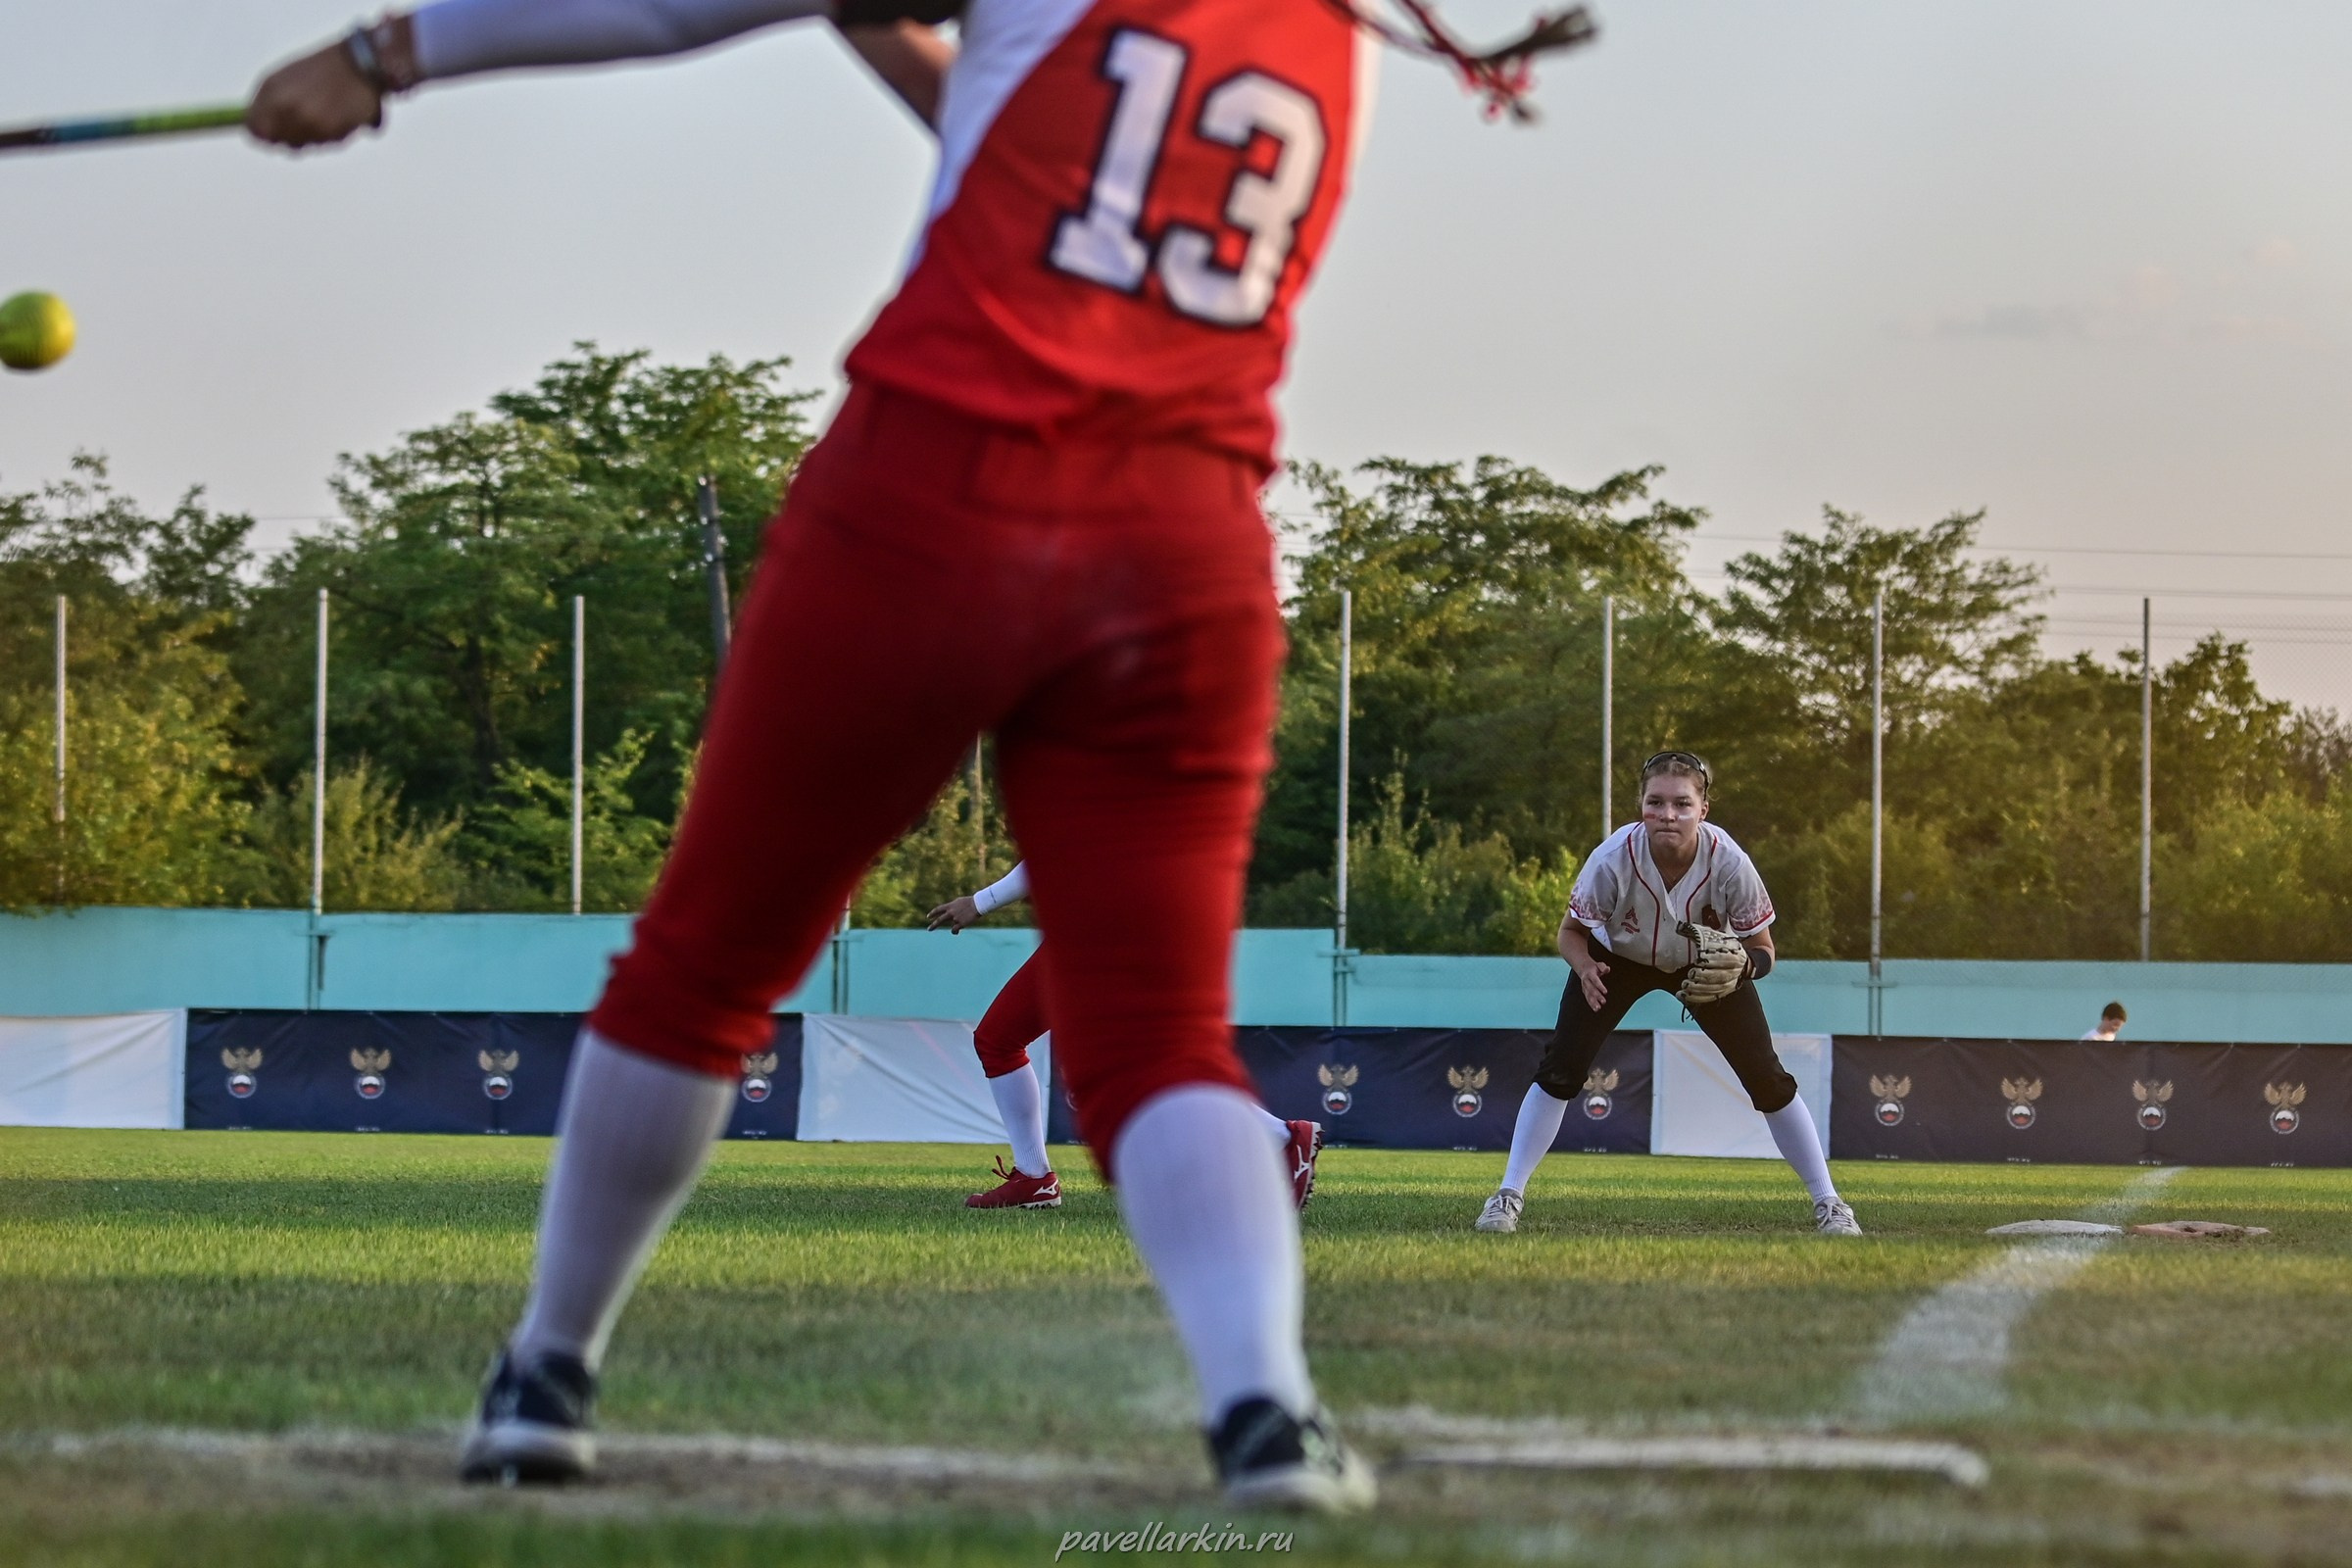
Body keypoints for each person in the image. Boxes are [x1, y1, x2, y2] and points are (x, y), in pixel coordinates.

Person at [242, 0, 1445, 1511]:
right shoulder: (1332, 35)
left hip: (940, 486)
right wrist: (882, 35)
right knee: (1156, 1031)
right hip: (1183, 545)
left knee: (704, 966)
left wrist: (382, 58)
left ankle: (548, 1372)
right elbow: (1047, 156)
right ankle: (1271, 1413)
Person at [1474, 752, 1862, 1238]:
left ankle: (1830, 1202)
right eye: (1655, 802)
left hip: (1704, 965)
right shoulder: (1613, 857)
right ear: (1641, 805)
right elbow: (1570, 931)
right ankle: (1507, 1195)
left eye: (1682, 803)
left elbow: (1764, 949)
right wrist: (1584, 965)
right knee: (1561, 1068)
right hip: (1617, 960)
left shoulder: (1729, 861)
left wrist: (1743, 966)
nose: (1668, 814)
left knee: (1768, 1078)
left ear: (1703, 809)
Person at [926, 861, 1325, 1209]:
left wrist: (981, 901)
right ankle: (1033, 1178)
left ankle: (1280, 1137)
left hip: (1100, 923)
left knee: (1129, 1058)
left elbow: (1061, 845)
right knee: (1003, 1040)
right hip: (1118, 915)